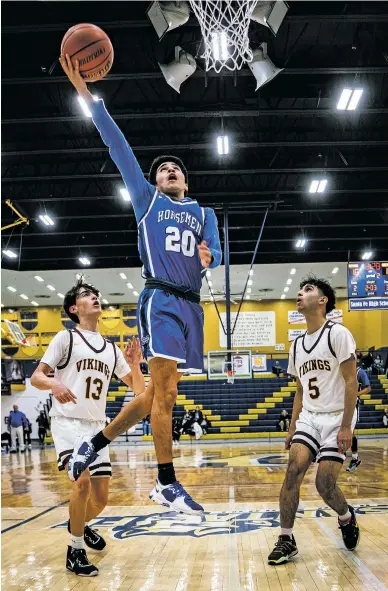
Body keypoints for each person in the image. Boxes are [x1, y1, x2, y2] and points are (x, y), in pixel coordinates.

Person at [60, 55, 222, 515]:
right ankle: (166, 481)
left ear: (186, 181)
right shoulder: (147, 201)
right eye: (162, 168)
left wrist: (213, 256)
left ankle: (93, 443)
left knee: (156, 394)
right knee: (165, 392)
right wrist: (88, 97)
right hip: (162, 299)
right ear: (152, 181)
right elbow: (117, 144)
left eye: (177, 168)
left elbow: (216, 249)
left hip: (192, 307)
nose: (170, 170)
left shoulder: (203, 213)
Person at [30, 278, 146, 577]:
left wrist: (135, 364)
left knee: (101, 499)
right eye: (86, 295)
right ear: (74, 308)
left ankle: (77, 524)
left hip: (97, 429)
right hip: (67, 422)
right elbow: (37, 377)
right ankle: (75, 549)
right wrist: (54, 382)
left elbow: (139, 392)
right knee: (80, 483)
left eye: (95, 293)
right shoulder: (65, 338)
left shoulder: (110, 348)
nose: (94, 297)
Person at [268, 275, 360, 566]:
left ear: (322, 301)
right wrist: (293, 426)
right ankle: (286, 538)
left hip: (336, 418)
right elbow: (299, 390)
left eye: (307, 290)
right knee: (293, 470)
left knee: (324, 483)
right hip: (309, 415)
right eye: (299, 289)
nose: (299, 293)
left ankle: (346, 517)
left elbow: (350, 382)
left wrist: (346, 426)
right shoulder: (296, 345)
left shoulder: (338, 334)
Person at [346, 364, 371, 472]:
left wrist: (356, 393)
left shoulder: (360, 372)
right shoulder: (342, 370)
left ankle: (355, 458)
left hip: (352, 406)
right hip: (341, 405)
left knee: (350, 433)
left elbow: (368, 388)